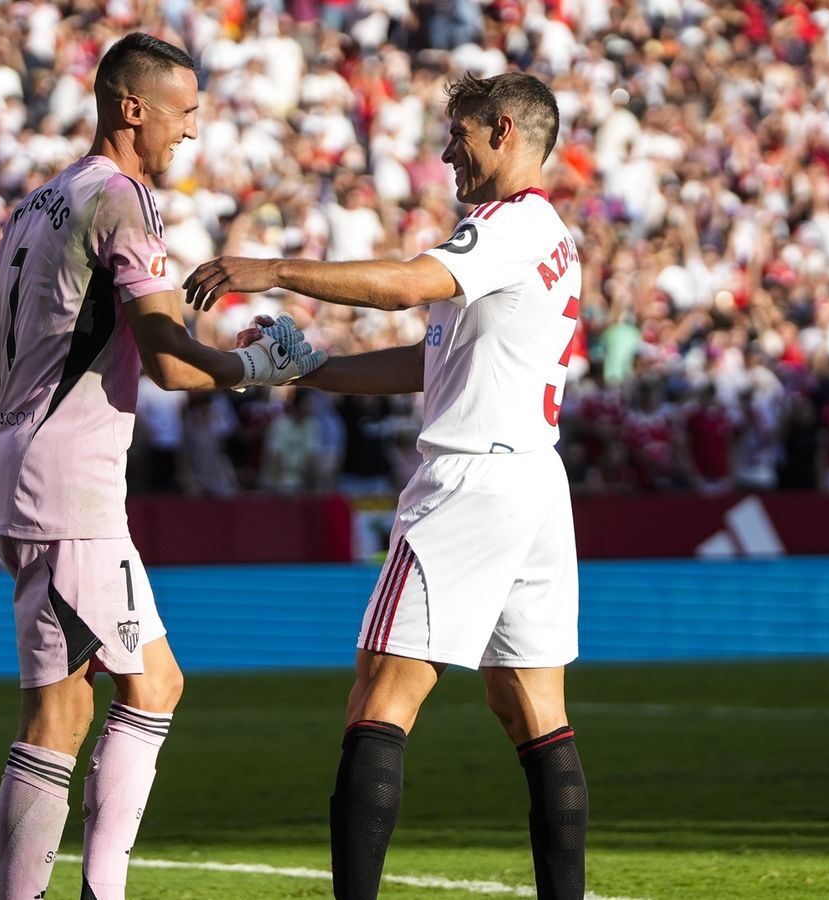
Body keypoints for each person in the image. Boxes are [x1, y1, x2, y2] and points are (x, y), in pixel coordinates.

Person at [0, 32, 323, 900]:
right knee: (100, 697)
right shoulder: (123, 200)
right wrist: (260, 367)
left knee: (110, 694)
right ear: (132, 107)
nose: (191, 130)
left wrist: (34, 394)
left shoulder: (39, 202)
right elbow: (171, 362)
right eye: (183, 112)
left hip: (33, 469)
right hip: (67, 487)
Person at [185, 71, 588, 899]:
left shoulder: (508, 224)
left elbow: (407, 285)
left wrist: (275, 268)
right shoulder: (547, 238)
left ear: (505, 130)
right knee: (531, 709)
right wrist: (312, 369)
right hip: (535, 483)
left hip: (471, 479)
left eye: (460, 135)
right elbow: (428, 362)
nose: (446, 153)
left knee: (379, 696)